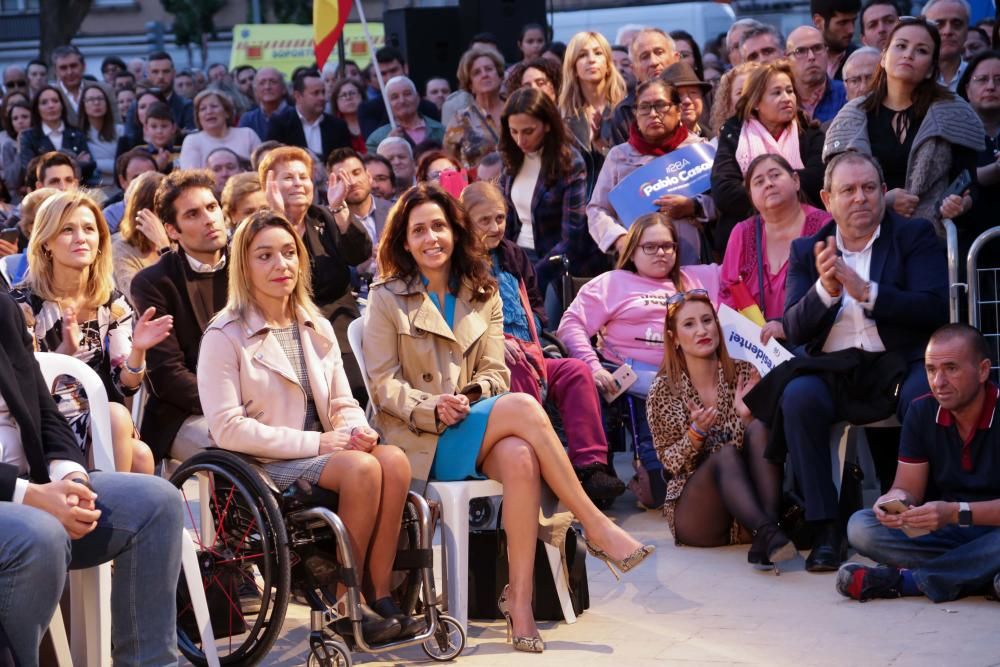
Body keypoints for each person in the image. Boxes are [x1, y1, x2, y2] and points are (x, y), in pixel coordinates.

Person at [363, 183, 655, 652]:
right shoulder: (387, 297)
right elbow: (382, 385)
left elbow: (496, 373)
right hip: (416, 437)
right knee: (522, 407)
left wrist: (468, 395)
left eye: (439, 225)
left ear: (455, 232)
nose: (431, 237)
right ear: (404, 240)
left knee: (520, 456)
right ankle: (594, 524)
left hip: (470, 420)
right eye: (419, 230)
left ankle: (519, 601)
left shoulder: (483, 291)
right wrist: (432, 405)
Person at [198, 209, 419, 642]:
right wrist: (320, 442)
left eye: (288, 253)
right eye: (264, 256)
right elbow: (227, 429)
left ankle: (379, 592)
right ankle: (344, 602)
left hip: (325, 450)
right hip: (264, 464)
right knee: (362, 468)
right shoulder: (223, 335)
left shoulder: (314, 324)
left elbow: (341, 400)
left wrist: (355, 428)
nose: (280, 265)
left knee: (393, 460)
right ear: (244, 266)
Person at [758, 152, 949, 572]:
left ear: (883, 192)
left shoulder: (913, 235)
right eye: (848, 190)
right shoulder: (809, 250)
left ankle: (921, 514)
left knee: (925, 393)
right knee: (798, 396)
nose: (860, 198)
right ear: (828, 198)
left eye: (868, 188)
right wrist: (826, 289)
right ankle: (826, 529)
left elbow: (935, 309)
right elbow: (793, 325)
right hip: (836, 369)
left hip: (898, 363)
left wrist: (868, 293)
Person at [0, 290, 184, 667]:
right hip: (17, 501)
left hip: (36, 484)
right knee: (39, 533)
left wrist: (73, 479)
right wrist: (29, 496)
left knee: (155, 501)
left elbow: (45, 412)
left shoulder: (2, 310)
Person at [461, 181, 626, 502]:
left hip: (532, 349)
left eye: (500, 218)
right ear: (464, 221)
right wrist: (495, 340)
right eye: (484, 221)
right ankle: (542, 465)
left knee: (576, 370)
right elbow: (458, 318)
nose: (496, 227)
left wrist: (534, 329)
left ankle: (590, 467)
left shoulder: (512, 255)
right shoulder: (458, 264)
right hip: (489, 361)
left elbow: (535, 302)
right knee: (515, 365)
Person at [559, 213, 721, 508]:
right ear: (631, 250)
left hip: (689, 384)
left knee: (678, 490)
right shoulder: (612, 283)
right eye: (650, 247)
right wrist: (592, 366)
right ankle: (622, 474)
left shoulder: (698, 278)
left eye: (668, 246)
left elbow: (741, 275)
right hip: (629, 381)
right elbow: (571, 325)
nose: (661, 252)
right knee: (663, 491)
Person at [11, 191, 173, 474]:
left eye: (89, 229)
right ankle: (103, 513)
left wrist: (138, 351)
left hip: (96, 417)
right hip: (43, 422)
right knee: (117, 419)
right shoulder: (23, 305)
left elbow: (126, 385)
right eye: (67, 230)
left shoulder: (113, 303)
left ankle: (109, 512)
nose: (81, 238)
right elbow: (23, 388)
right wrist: (64, 356)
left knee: (141, 454)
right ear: (46, 242)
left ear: (100, 240)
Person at [837, 324, 1000, 603]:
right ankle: (983, 575)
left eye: (951, 368)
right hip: (950, 532)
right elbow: (907, 487)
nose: (938, 382)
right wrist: (892, 502)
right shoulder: (922, 410)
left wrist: (954, 513)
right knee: (862, 527)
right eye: (931, 370)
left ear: (983, 371)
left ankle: (907, 581)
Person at [647, 288, 796, 565]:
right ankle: (768, 532)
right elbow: (668, 463)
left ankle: (766, 531)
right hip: (697, 512)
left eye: (707, 320)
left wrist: (748, 416)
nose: (702, 330)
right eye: (689, 324)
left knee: (761, 428)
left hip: (745, 506)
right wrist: (695, 435)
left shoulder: (743, 371)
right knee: (724, 455)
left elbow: (766, 449)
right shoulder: (664, 389)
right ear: (674, 338)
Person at [824, 17, 984, 226]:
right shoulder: (851, 117)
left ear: (930, 69)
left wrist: (961, 204)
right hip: (867, 235)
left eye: (921, 50)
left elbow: (969, 183)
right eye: (901, 46)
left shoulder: (955, 114)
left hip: (932, 235)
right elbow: (835, 191)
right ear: (883, 57)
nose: (908, 54)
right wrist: (883, 200)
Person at [259, 146, 373, 406]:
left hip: (337, 326)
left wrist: (339, 208)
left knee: (355, 392)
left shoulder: (325, 216)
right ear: (268, 185)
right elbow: (282, 280)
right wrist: (278, 219)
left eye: (304, 177)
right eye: (288, 178)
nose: (299, 183)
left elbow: (359, 253)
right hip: (285, 330)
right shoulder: (258, 228)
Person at [130, 170, 230, 463]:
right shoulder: (154, 282)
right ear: (172, 230)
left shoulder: (248, 261)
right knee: (236, 449)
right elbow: (168, 375)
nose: (209, 219)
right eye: (193, 214)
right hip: (187, 412)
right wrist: (229, 405)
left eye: (212, 208)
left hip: (261, 403)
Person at [590, 78, 716, 264]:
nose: (653, 114)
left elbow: (723, 202)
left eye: (661, 106)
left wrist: (694, 206)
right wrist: (619, 240)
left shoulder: (699, 151)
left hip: (693, 262)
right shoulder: (619, 156)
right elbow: (597, 209)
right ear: (635, 114)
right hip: (638, 265)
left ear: (678, 110)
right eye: (645, 107)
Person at [711, 61, 825, 258]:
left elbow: (817, 179)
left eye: (790, 91)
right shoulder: (734, 134)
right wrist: (784, 193)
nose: (786, 98)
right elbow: (724, 191)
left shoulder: (809, 132)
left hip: (806, 240)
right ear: (756, 102)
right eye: (776, 93)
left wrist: (759, 189)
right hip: (747, 244)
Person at [499, 87, 601, 301]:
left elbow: (572, 237)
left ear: (546, 125)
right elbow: (507, 219)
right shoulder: (512, 158)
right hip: (517, 256)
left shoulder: (569, 163)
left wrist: (533, 275)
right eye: (513, 131)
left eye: (528, 131)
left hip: (553, 263)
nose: (520, 140)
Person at [721, 154, 832, 341]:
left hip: (813, 344)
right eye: (759, 182)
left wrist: (788, 329)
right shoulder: (741, 233)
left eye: (775, 175)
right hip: (755, 349)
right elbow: (727, 294)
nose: (768, 184)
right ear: (751, 196)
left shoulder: (825, 226)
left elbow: (834, 294)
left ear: (796, 181)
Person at [957, 50, 1000, 272]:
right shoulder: (954, 136)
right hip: (972, 258)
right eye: (982, 79)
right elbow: (961, 182)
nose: (991, 86)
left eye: (998, 80)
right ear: (967, 89)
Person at [559, 32, 626, 164]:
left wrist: (600, 145)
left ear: (608, 64)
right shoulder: (561, 115)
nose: (591, 59)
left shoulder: (625, 110)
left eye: (598, 53)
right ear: (573, 67)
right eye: (582, 55)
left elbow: (627, 162)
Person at [608, 28, 679, 146]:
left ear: (676, 58)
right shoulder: (624, 113)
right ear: (634, 70)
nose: (653, 62)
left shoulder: (694, 99)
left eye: (659, 52)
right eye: (644, 57)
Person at [267, 68, 351, 162]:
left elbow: (345, 160)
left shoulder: (337, 126)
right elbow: (273, 160)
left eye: (323, 92)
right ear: (298, 96)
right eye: (316, 93)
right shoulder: (280, 124)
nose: (322, 98)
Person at [18, 85, 95, 185]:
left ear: (62, 105)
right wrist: (74, 161)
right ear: (37, 109)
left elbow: (90, 166)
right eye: (44, 102)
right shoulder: (27, 137)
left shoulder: (76, 133)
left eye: (55, 101)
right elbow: (29, 171)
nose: (51, 105)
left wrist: (44, 161)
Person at [358, 47, 442, 138]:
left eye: (394, 70)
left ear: (405, 68)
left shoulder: (428, 108)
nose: (389, 77)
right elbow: (372, 143)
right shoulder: (368, 110)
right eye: (383, 74)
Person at [445, 45, 506, 166]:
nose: (484, 75)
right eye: (477, 72)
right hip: (479, 183)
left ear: (500, 77)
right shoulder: (460, 120)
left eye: (489, 69)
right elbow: (450, 163)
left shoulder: (516, 109)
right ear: (470, 85)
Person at [111, 170, 168, 299]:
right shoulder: (121, 249)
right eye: (162, 210)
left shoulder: (181, 241)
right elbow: (140, 301)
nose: (169, 217)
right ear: (142, 213)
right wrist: (164, 247)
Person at [179, 90, 261, 170]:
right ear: (198, 117)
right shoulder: (192, 141)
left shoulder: (247, 135)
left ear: (227, 113)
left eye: (214, 106)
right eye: (203, 109)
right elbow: (191, 178)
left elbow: (261, 168)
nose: (209, 112)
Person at [366, 76, 446, 154]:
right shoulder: (375, 140)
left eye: (407, 94)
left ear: (417, 98)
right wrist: (388, 145)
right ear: (387, 104)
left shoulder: (441, 131)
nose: (402, 101)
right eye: (394, 97)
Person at [786, 26, 848, 124]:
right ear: (787, 60)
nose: (811, 57)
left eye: (817, 48)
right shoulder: (782, 100)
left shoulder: (847, 94)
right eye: (800, 51)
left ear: (827, 52)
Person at [79, 83, 122, 188]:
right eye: (91, 99)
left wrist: (94, 163)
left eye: (100, 99)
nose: (96, 103)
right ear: (83, 105)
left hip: (118, 187)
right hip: (92, 189)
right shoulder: (78, 135)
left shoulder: (120, 131)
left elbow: (122, 165)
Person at [138, 51, 195, 131]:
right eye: (155, 72)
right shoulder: (137, 105)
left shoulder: (186, 107)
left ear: (174, 73)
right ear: (147, 75)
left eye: (166, 71)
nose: (161, 76)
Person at [923, 0, 971, 91]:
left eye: (957, 24)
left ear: (967, 31)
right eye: (938, 24)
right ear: (924, 30)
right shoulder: (913, 75)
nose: (948, 31)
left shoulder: (977, 75)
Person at [662, 61, 714, 138]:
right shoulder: (658, 143)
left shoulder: (713, 140)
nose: (687, 101)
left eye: (693, 92)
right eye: (678, 95)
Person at [812, 0, 861, 80]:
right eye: (842, 23)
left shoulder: (862, 60)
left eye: (853, 21)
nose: (851, 30)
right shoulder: (800, 61)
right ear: (818, 21)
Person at [709, 62, 760, 138]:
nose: (747, 97)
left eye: (753, 90)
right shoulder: (718, 145)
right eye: (740, 92)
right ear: (728, 101)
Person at [238, 67, 287, 140]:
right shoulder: (248, 119)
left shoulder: (298, 115)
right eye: (262, 83)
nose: (267, 87)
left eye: (273, 82)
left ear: (284, 88)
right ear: (255, 91)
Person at [330, 77, 367, 153]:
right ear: (336, 102)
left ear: (362, 96)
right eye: (343, 95)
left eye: (352, 93)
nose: (348, 97)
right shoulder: (332, 127)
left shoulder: (374, 119)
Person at [51, 45, 85, 123]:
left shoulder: (102, 90)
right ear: (55, 71)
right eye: (63, 68)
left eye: (73, 66)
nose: (69, 72)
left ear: (83, 66)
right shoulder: (49, 95)